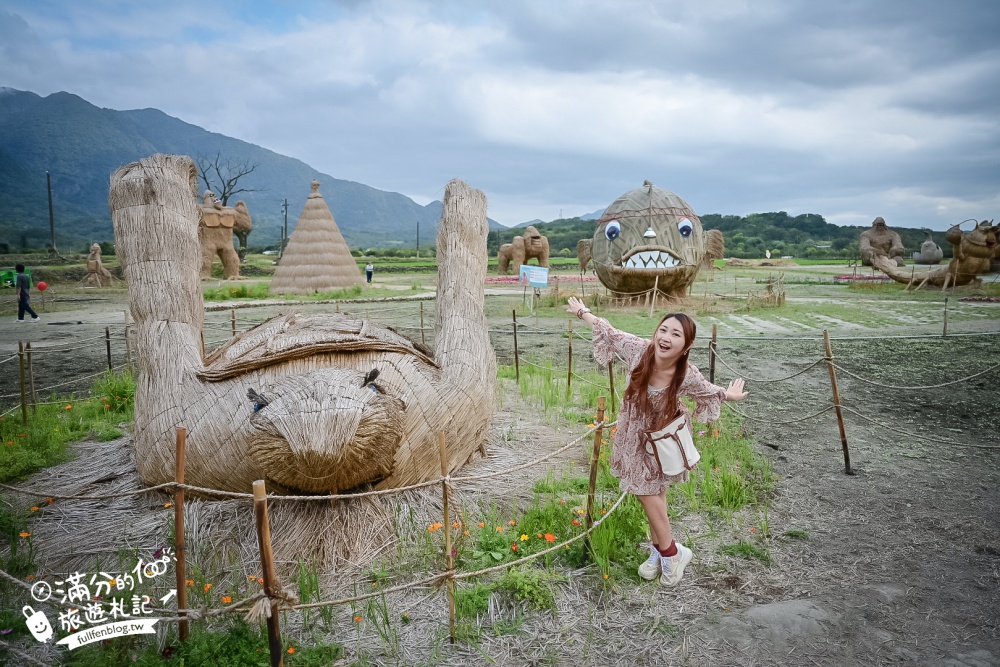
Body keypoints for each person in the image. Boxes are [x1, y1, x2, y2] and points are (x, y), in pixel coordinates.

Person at [566, 296, 747, 586]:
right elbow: (609, 331)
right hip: (631, 438)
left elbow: (707, 390)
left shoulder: (686, 373)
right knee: (654, 499)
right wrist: (582, 312)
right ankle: (660, 552)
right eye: (663, 330)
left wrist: (729, 394)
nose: (666, 337)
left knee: (648, 495)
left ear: (686, 346)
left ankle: (673, 553)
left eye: (676, 334)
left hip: (659, 444)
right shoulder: (639, 350)